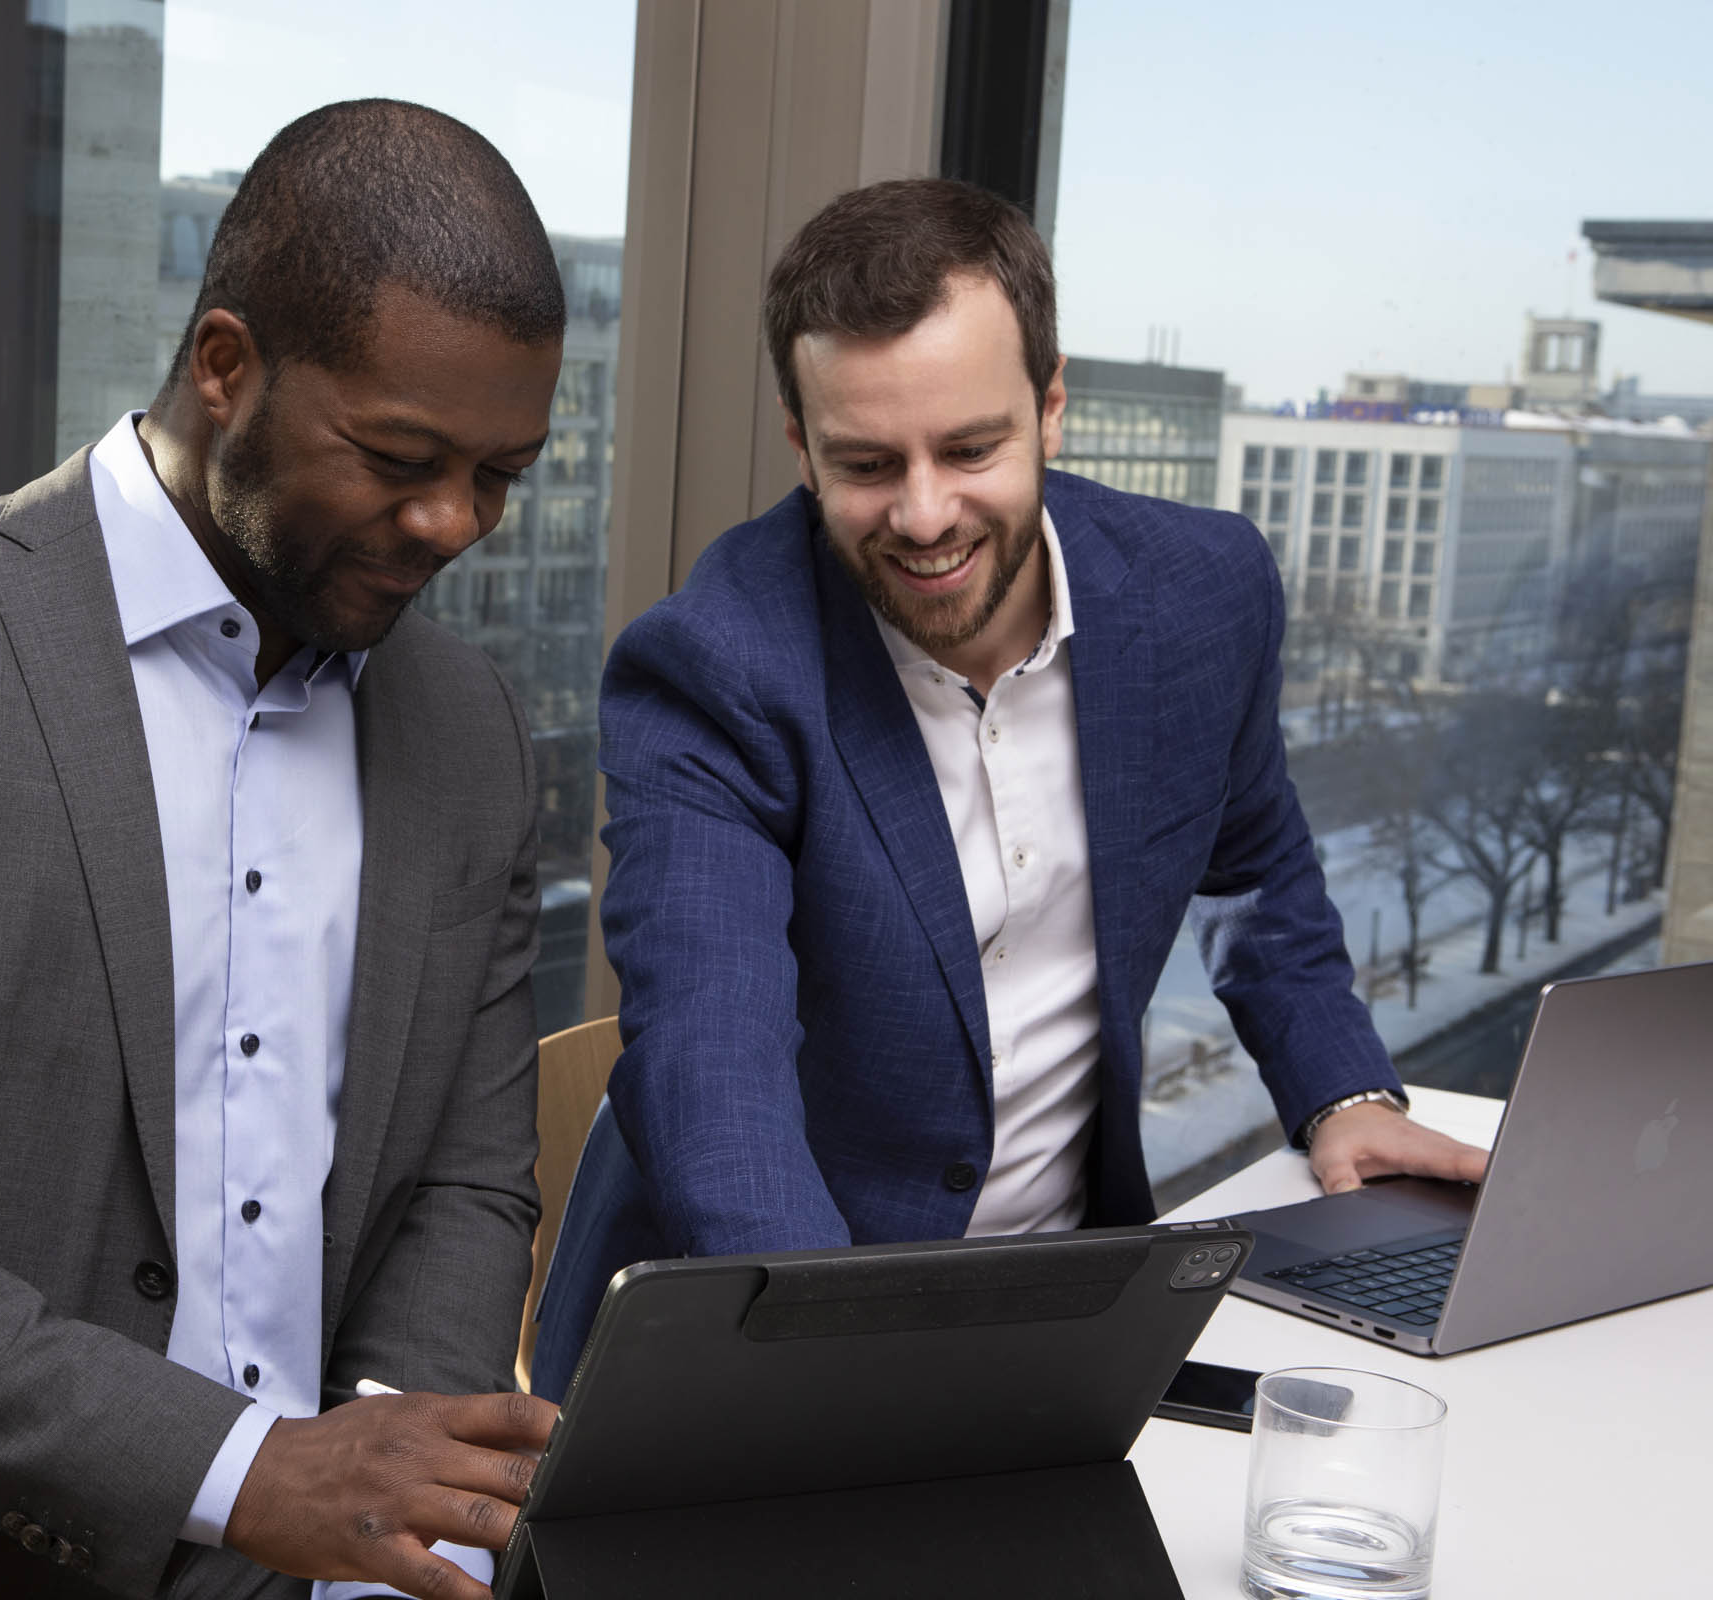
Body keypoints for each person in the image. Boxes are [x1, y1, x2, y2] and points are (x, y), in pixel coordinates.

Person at [0, 101, 562, 1600]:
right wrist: (243, 1473)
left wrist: (378, 1507)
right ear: (223, 364)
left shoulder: (470, 732)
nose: (452, 521)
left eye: (501, 476)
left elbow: (466, 1176)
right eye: (399, 455)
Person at [530, 177, 1488, 1401]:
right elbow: (715, 1063)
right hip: (761, 1332)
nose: (924, 516)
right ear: (799, 445)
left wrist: (1341, 1089)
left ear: (1051, 404)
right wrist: (841, 1367)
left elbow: (1256, 872)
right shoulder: (714, 664)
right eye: (867, 463)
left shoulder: (1204, 593)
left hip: (1059, 1320)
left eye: (972, 448)